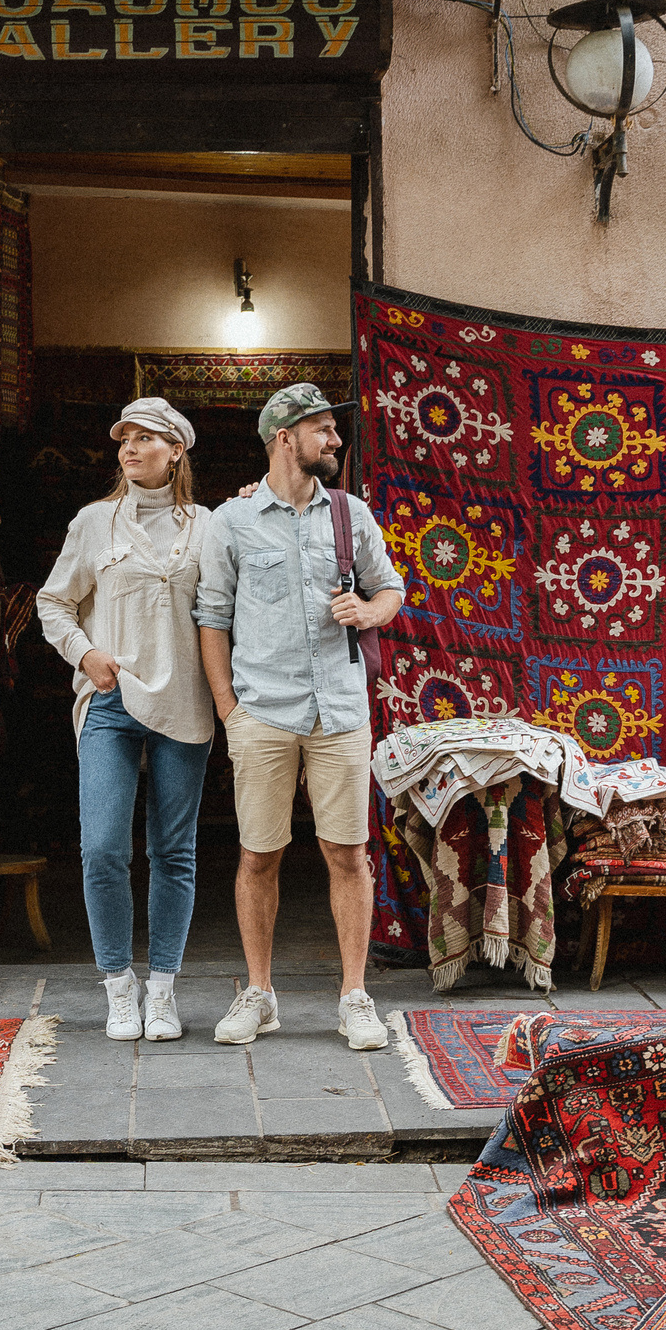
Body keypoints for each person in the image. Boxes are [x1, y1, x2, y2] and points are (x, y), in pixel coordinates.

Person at [195, 383, 405, 1051]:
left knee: (347, 853)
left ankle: (354, 995)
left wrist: (371, 611)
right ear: (285, 437)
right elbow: (212, 619)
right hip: (262, 712)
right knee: (258, 854)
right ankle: (259, 993)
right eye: (323, 430)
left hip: (340, 710)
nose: (335, 441)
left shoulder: (351, 515)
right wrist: (230, 709)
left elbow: (392, 588)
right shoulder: (232, 521)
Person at [36, 397, 215, 1043]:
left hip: (183, 700)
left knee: (173, 849)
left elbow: (229, 604)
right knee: (104, 846)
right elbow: (53, 600)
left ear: (176, 450)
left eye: (145, 438)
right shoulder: (94, 522)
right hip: (110, 699)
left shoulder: (208, 527)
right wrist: (85, 651)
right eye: (124, 439)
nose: (129, 448)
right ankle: (118, 984)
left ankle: (162, 987)